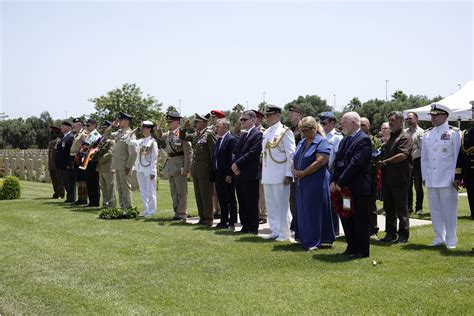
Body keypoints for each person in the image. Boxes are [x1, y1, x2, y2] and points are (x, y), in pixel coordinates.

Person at [330, 112, 372, 259]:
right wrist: (334, 181)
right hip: (344, 188)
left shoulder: (363, 140)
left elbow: (355, 164)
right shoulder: (344, 140)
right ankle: (351, 246)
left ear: (354, 123)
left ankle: (362, 250)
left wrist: (340, 182)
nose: (342, 125)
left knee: (359, 220)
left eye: (344, 122)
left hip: (358, 188)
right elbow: (338, 162)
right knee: (346, 217)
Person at [421, 104, 461, 249]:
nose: (433, 117)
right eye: (432, 115)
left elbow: (458, 157)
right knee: (435, 210)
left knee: (449, 211)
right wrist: (425, 176)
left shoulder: (454, 133)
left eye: (436, 115)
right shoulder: (427, 134)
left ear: (445, 116)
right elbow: (424, 158)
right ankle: (439, 237)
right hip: (432, 178)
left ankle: (451, 239)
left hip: (447, 179)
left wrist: (457, 177)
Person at [292, 117, 334, 250]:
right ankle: (303, 236)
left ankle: (314, 240)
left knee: (314, 210)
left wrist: (303, 172)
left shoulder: (321, 142)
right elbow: (295, 157)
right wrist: (293, 169)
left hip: (316, 180)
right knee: (302, 209)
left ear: (314, 129)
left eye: (305, 130)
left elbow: (320, 161)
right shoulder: (302, 142)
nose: (303, 133)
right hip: (301, 181)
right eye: (301, 130)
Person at [261, 105, 295, 241]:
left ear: (279, 116)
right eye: (267, 115)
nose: (268, 118)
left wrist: (289, 174)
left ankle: (284, 233)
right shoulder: (267, 132)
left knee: (282, 206)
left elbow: (291, 154)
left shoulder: (285, 131)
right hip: (268, 173)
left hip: (280, 174)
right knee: (271, 205)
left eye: (271, 115)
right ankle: (275, 230)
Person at [379, 111, 413, 244]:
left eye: (393, 120)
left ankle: (403, 234)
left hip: (400, 178)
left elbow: (403, 155)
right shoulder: (391, 137)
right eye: (389, 120)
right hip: (388, 178)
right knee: (389, 207)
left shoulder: (405, 137)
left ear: (400, 121)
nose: (390, 122)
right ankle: (390, 233)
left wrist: (386, 162)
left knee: (401, 208)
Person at [156, 111, 192, 221]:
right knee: (174, 192)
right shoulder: (169, 134)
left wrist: (186, 168)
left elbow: (188, 152)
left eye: (170, 122)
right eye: (167, 122)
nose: (168, 123)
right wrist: (159, 127)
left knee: (181, 191)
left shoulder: (182, 134)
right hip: (171, 164)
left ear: (177, 121)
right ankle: (177, 212)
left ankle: (182, 214)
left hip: (180, 164)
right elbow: (160, 136)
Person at [232, 110, 263, 234]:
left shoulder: (257, 134)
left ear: (253, 120)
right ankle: (245, 225)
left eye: (245, 119)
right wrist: (234, 164)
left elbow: (252, 153)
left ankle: (253, 227)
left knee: (251, 201)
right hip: (239, 173)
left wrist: (237, 164)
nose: (242, 122)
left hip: (249, 173)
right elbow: (236, 151)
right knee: (242, 201)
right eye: (241, 120)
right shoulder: (243, 135)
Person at [319, 111, 343, 236]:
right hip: (320, 172)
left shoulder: (337, 137)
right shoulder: (320, 136)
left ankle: (335, 229)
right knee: (323, 201)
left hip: (331, 171)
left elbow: (339, 157)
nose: (321, 125)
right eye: (320, 122)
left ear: (332, 123)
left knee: (333, 201)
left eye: (324, 122)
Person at [211, 118, 238, 230]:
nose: (216, 129)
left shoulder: (231, 140)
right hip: (218, 174)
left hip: (227, 175)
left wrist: (229, 174)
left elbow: (231, 159)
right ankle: (223, 220)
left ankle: (232, 222)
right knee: (222, 198)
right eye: (216, 127)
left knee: (230, 198)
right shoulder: (219, 140)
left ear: (226, 127)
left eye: (218, 127)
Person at [107, 112, 137, 209]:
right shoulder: (120, 132)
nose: (119, 121)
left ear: (127, 121)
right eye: (118, 120)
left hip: (125, 165)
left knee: (125, 187)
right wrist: (112, 125)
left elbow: (133, 153)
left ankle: (128, 207)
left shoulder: (130, 134)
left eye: (120, 120)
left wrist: (128, 166)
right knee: (119, 187)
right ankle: (123, 206)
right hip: (117, 164)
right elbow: (106, 135)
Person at [128, 121, 159, 216]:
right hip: (140, 168)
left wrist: (153, 171)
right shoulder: (140, 141)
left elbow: (154, 157)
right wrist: (132, 132)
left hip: (149, 169)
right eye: (141, 128)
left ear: (149, 129)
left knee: (151, 191)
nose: (142, 130)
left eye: (144, 128)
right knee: (143, 191)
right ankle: (146, 210)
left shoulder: (152, 142)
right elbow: (128, 141)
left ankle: (152, 211)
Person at [360, 117, 381, 239]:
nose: (362, 127)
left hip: (371, 176)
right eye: (360, 125)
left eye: (364, 125)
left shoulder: (374, 140)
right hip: (358, 177)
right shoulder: (354, 139)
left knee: (371, 205)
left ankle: (373, 230)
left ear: (369, 126)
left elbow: (377, 156)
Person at [405, 112, 425, 215]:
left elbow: (422, 149)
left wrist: (410, 154)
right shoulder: (405, 132)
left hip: (417, 162)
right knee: (408, 186)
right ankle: (409, 207)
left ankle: (419, 207)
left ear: (417, 119)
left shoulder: (421, 132)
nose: (408, 120)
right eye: (407, 119)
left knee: (418, 186)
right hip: (407, 162)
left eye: (410, 118)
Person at [288, 105, 302, 232]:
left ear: (299, 114)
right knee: (292, 197)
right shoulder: (290, 129)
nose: (290, 115)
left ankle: (299, 221)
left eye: (292, 113)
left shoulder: (304, 128)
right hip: (292, 167)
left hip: (301, 167)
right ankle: (295, 220)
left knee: (298, 196)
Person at [96, 120, 116, 209]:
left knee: (110, 188)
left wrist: (100, 160)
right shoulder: (102, 139)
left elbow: (111, 152)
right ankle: (105, 204)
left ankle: (111, 205)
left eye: (105, 128)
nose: (104, 129)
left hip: (109, 167)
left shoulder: (112, 139)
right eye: (103, 128)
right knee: (103, 188)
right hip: (101, 167)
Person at [253, 109, 267, 225]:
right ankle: (256, 213)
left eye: (256, 118)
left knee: (261, 192)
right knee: (255, 191)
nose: (254, 120)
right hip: (252, 165)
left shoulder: (263, 131)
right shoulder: (248, 131)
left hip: (261, 164)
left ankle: (263, 214)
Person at [456, 126, 474, 220]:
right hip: (470, 174)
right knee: (471, 195)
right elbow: (461, 159)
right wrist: (458, 177)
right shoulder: (466, 133)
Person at [55, 120, 75, 203]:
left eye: (63, 126)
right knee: (66, 182)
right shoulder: (64, 137)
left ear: (68, 127)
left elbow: (69, 152)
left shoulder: (70, 137)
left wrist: (68, 163)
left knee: (69, 182)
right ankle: (69, 198)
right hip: (62, 165)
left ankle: (71, 198)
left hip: (67, 165)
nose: (61, 128)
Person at [83, 118, 101, 207]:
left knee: (94, 182)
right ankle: (91, 201)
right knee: (89, 181)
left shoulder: (96, 135)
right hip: (87, 160)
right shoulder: (89, 135)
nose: (87, 127)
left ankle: (95, 201)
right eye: (86, 125)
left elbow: (95, 148)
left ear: (94, 125)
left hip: (93, 161)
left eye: (89, 125)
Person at [71, 118, 88, 205]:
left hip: (80, 159)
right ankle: (80, 198)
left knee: (82, 180)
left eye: (76, 124)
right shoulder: (76, 134)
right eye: (74, 124)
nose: (74, 126)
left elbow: (85, 146)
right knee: (78, 180)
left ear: (80, 125)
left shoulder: (83, 134)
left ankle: (84, 198)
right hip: (75, 159)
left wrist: (80, 156)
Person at [48, 126, 64, 199]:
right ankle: (56, 193)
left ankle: (61, 194)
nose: (51, 134)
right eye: (51, 133)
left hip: (57, 165)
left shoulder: (59, 141)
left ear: (57, 133)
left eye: (52, 133)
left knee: (59, 180)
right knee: (54, 180)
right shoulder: (51, 142)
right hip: (51, 165)